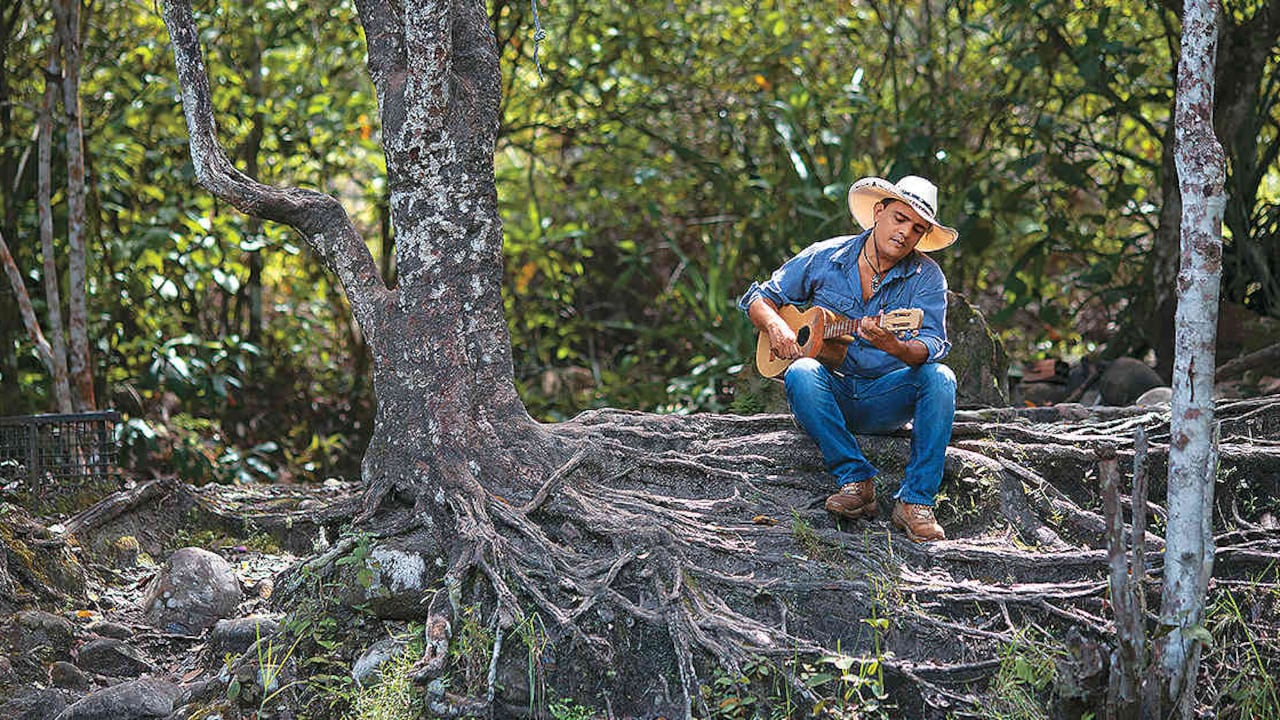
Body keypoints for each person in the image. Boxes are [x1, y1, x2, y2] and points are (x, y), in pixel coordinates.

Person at [738, 175, 958, 542]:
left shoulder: (927, 277)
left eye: (917, 228)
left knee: (941, 377)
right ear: (879, 211)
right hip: (830, 395)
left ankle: (915, 502)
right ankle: (856, 481)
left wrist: (896, 347)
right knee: (802, 371)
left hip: (886, 399)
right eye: (900, 218)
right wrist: (777, 328)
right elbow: (759, 298)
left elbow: (933, 342)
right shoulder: (827, 256)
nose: (905, 232)